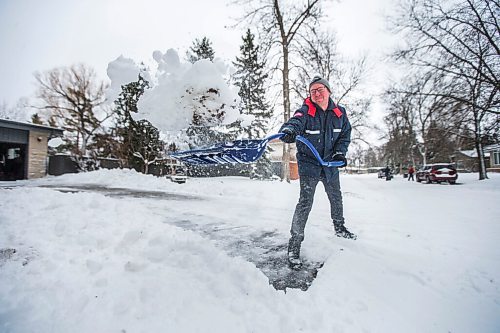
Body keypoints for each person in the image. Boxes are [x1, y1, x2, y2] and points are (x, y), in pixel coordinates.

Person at [279, 76, 356, 268]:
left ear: (329, 91)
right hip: (309, 165)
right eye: (312, 90)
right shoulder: (305, 111)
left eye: (320, 89)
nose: (316, 93)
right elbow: (295, 122)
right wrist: (289, 130)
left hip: (329, 165)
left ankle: (339, 227)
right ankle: (294, 245)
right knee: (305, 202)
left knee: (336, 197)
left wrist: (340, 152)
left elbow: (345, 135)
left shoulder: (340, 113)